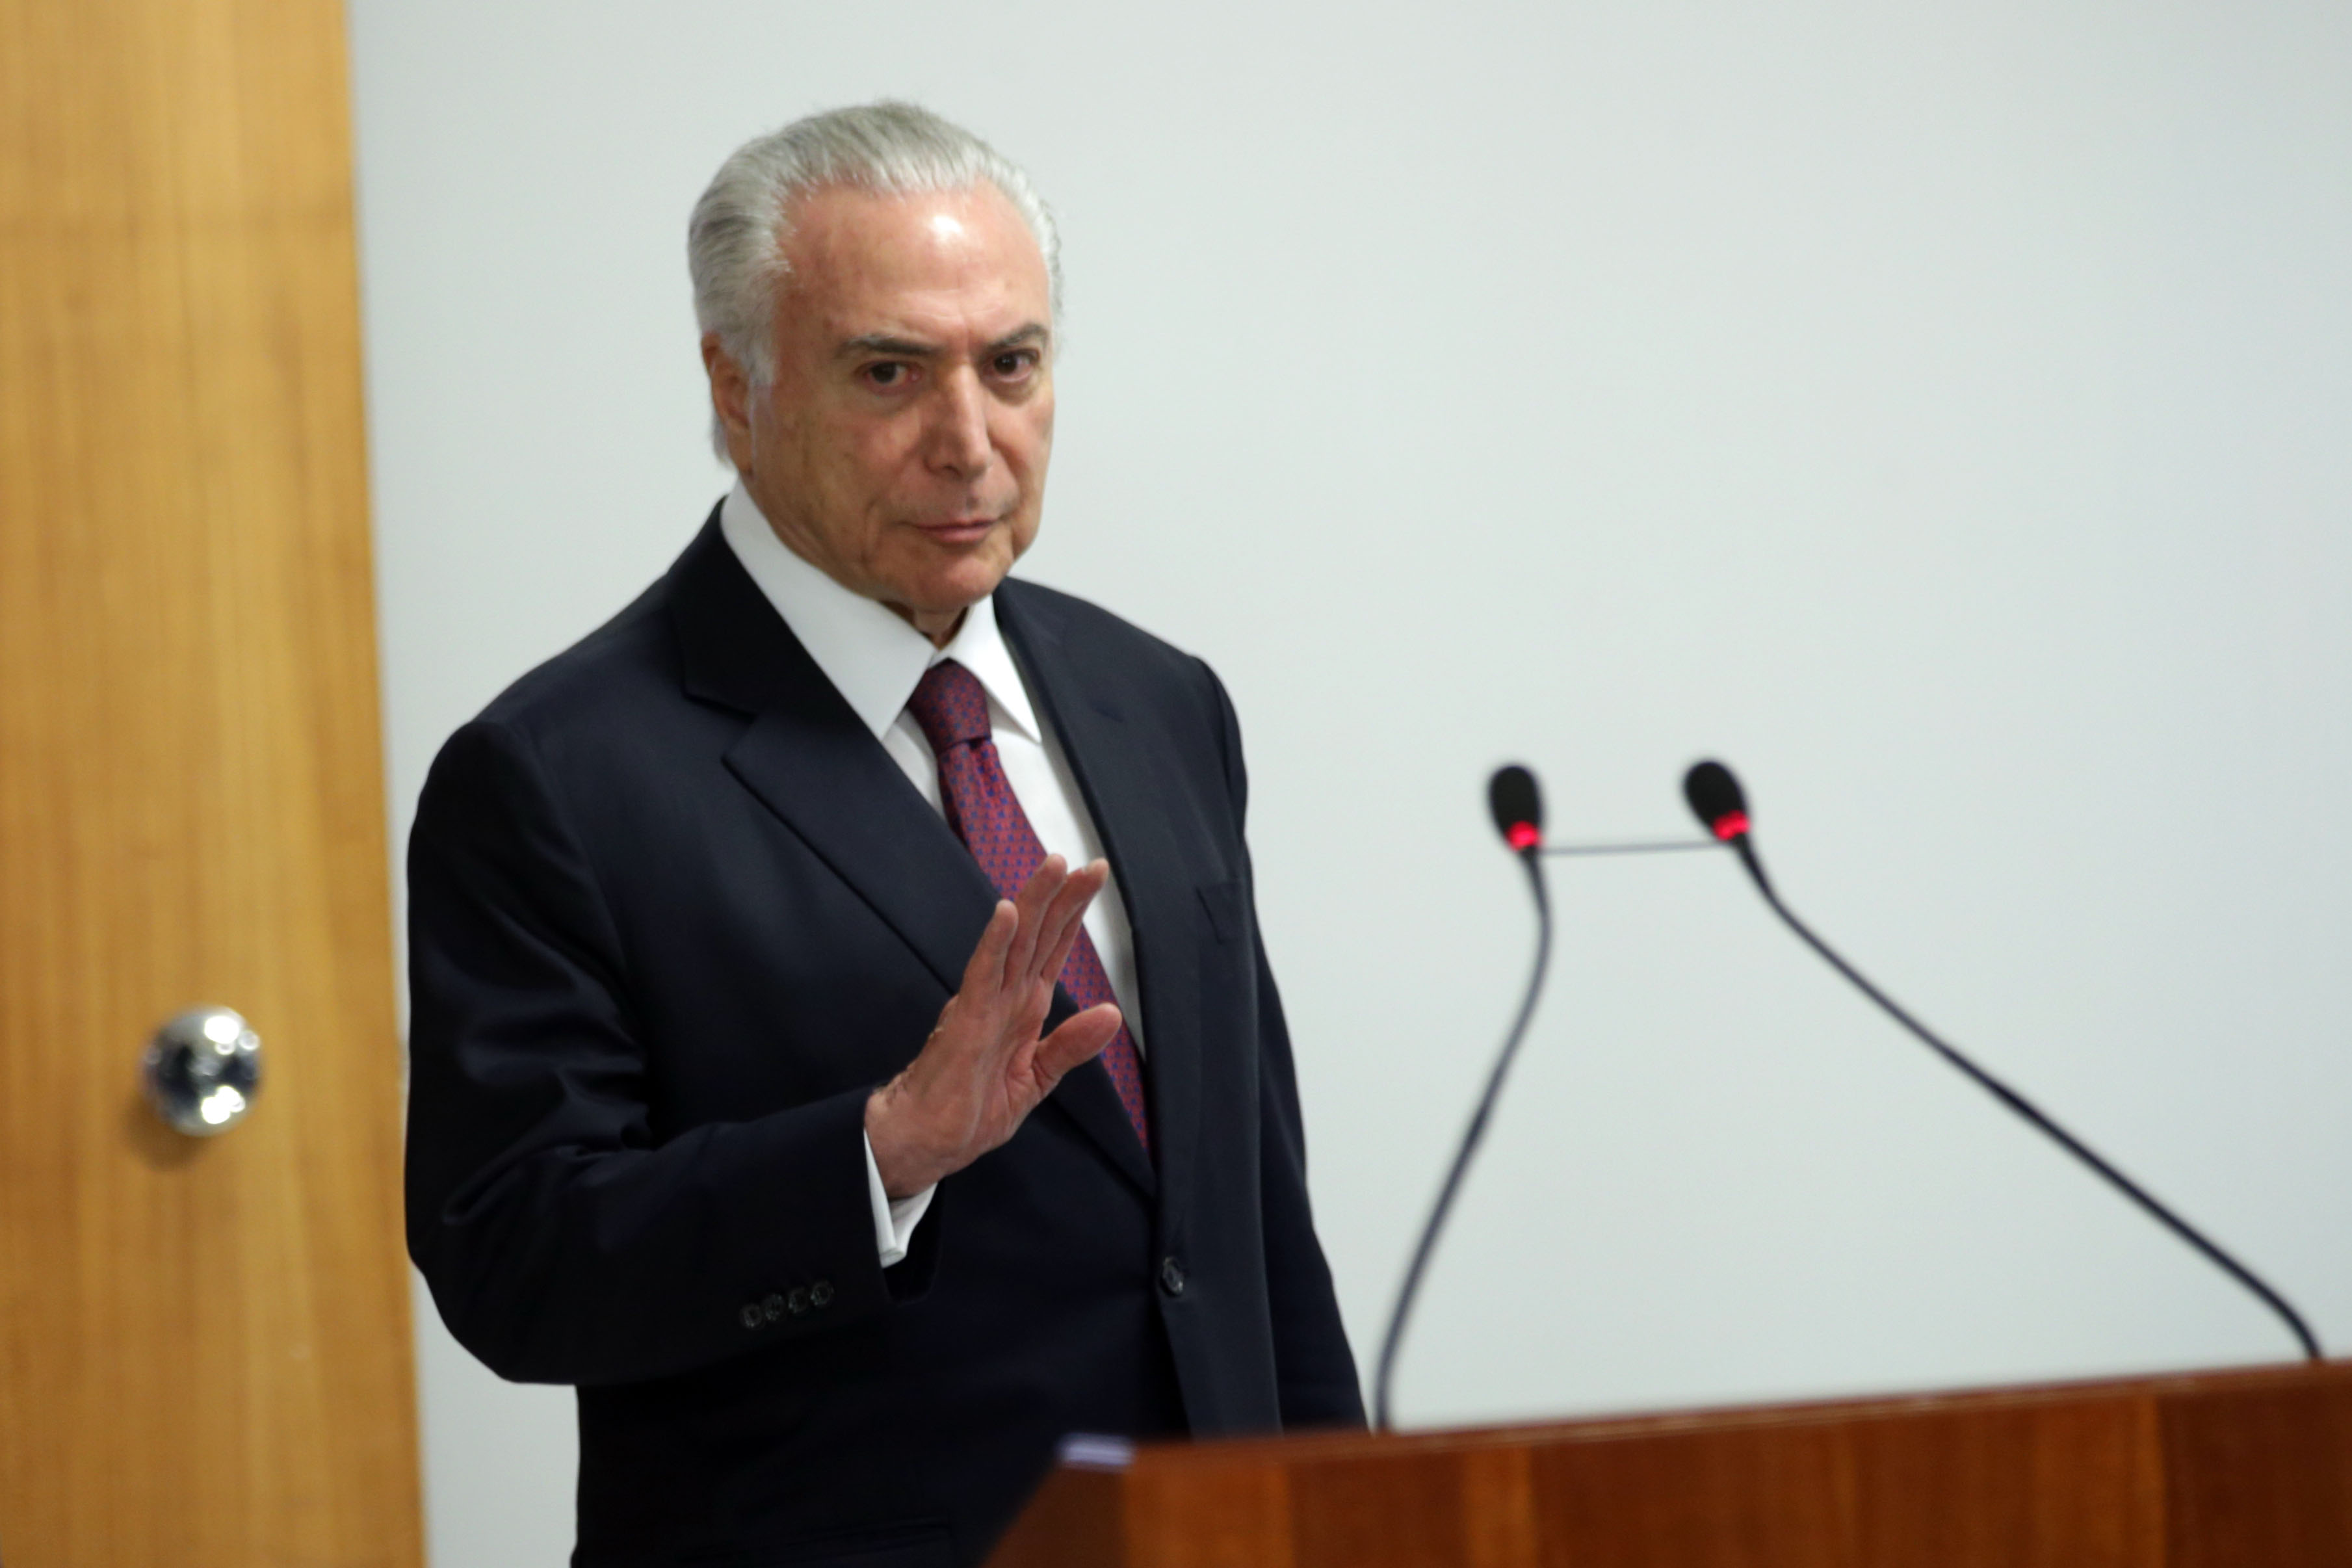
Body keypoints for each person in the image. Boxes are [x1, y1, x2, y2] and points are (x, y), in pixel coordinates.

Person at [404, 101, 1363, 1568]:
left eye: (1011, 366)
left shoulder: (1160, 700)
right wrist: (878, 1155)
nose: (968, 445)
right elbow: (514, 1262)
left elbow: (1249, 1211)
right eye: (889, 373)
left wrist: (1346, 1516)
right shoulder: (556, 775)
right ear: (736, 389)